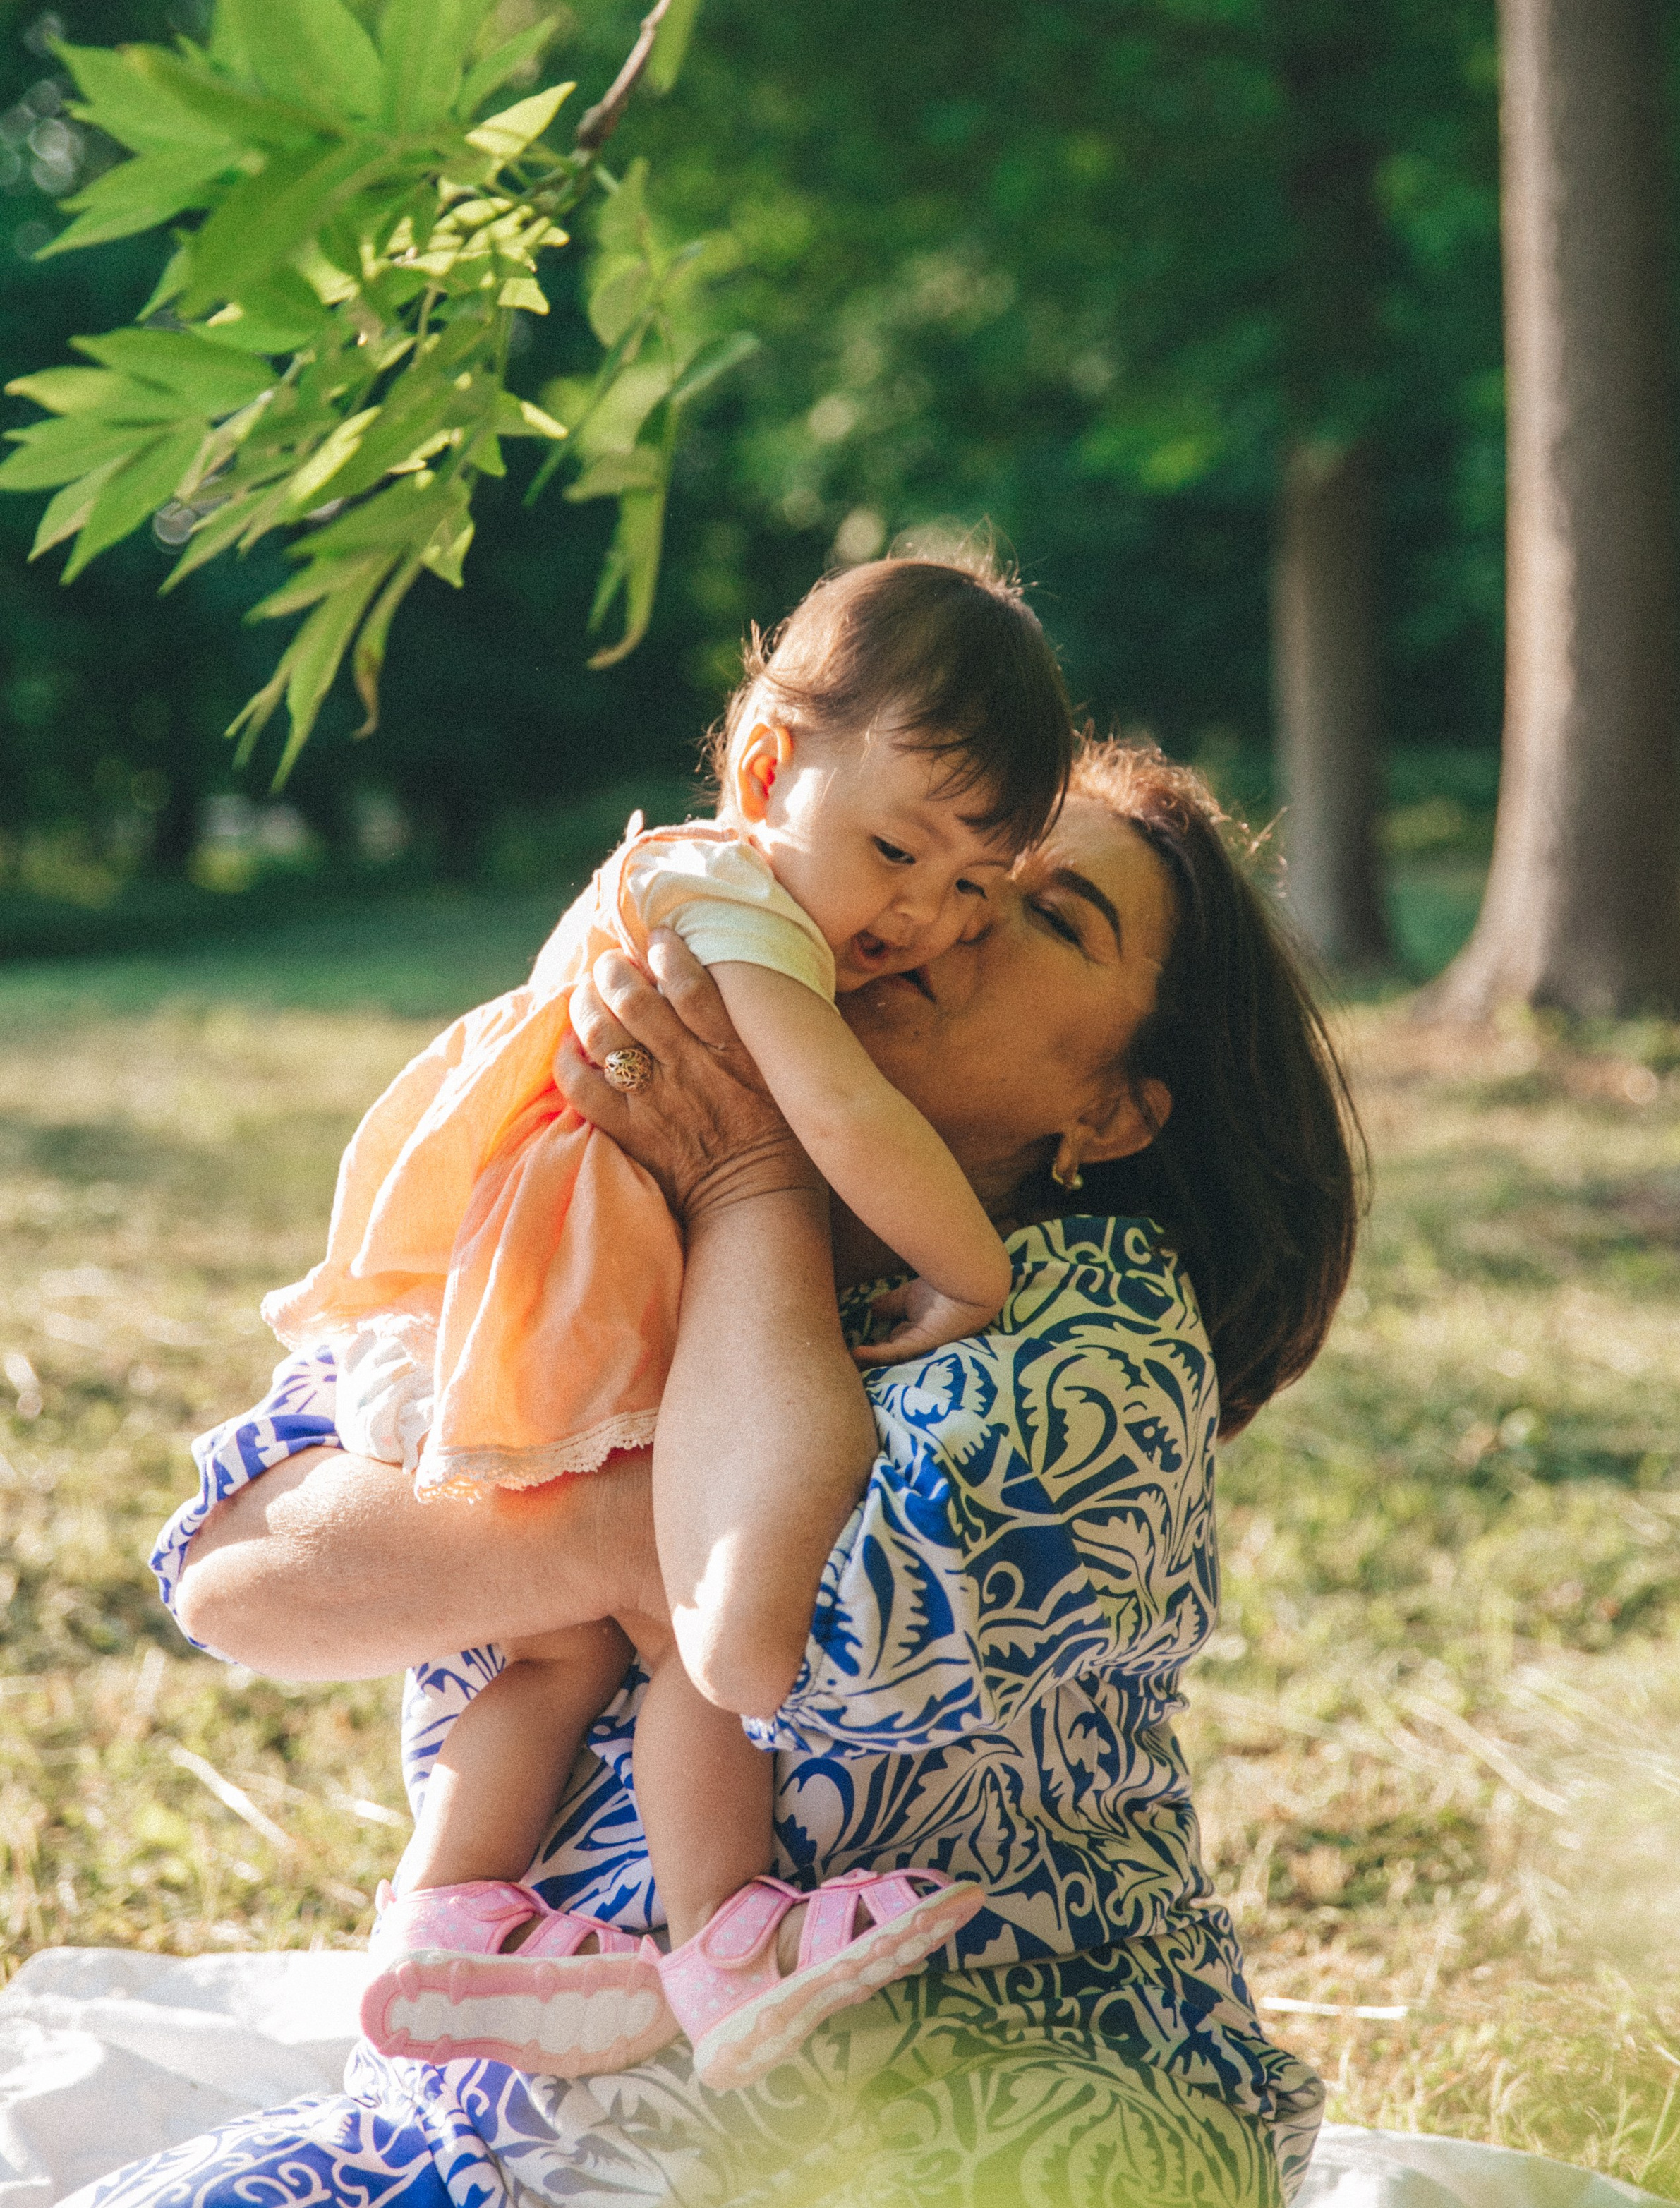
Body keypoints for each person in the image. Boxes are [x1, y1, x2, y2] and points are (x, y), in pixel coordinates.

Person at [94, 733, 1362, 2208]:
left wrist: (749, 1181)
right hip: (502, 2134)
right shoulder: (580, 1228)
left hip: (980, 2113)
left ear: (1112, 1109)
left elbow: (822, 1626)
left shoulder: (1098, 1329)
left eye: (1045, 908)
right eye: (936, 862)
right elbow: (238, 1572)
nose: (950, 917)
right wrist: (645, 1510)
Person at [250, 557, 1073, 2085]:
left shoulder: (749, 899)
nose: (921, 911)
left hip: (531, 1293)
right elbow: (835, 1112)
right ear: (768, 764)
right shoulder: (723, 894)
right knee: (676, 1631)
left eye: (972, 888)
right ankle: (725, 1941)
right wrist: (965, 1268)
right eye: (897, 848)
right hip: (566, 1297)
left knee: (555, 1654)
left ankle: (441, 1921)